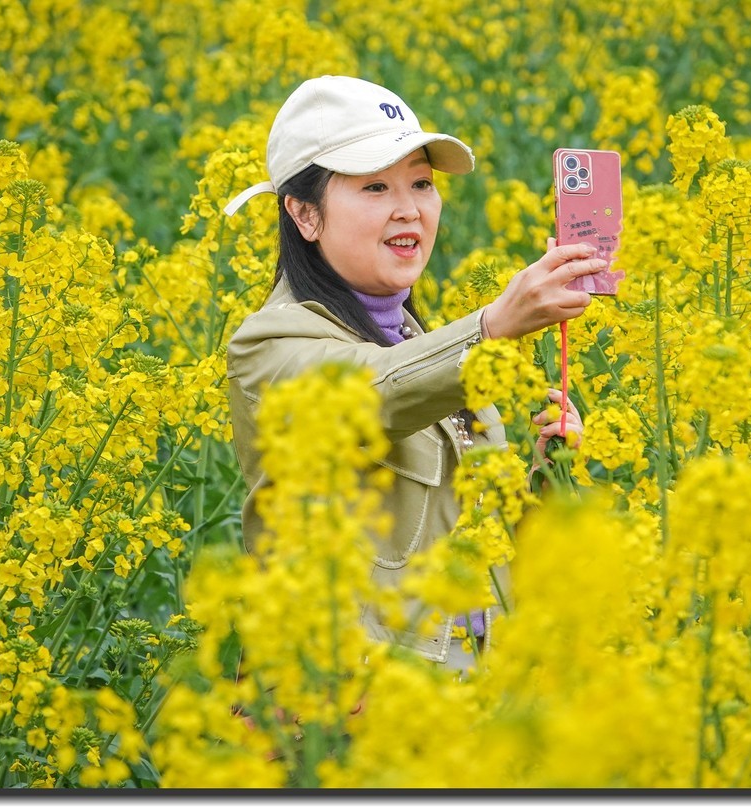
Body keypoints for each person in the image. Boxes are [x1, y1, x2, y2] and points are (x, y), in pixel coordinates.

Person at [224, 76, 606, 672]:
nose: (410, 208)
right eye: (375, 186)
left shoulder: (431, 353)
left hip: (460, 714)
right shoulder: (268, 346)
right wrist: (493, 327)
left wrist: (545, 475)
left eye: (422, 183)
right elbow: (366, 393)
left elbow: (488, 566)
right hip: (341, 714)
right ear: (303, 214)